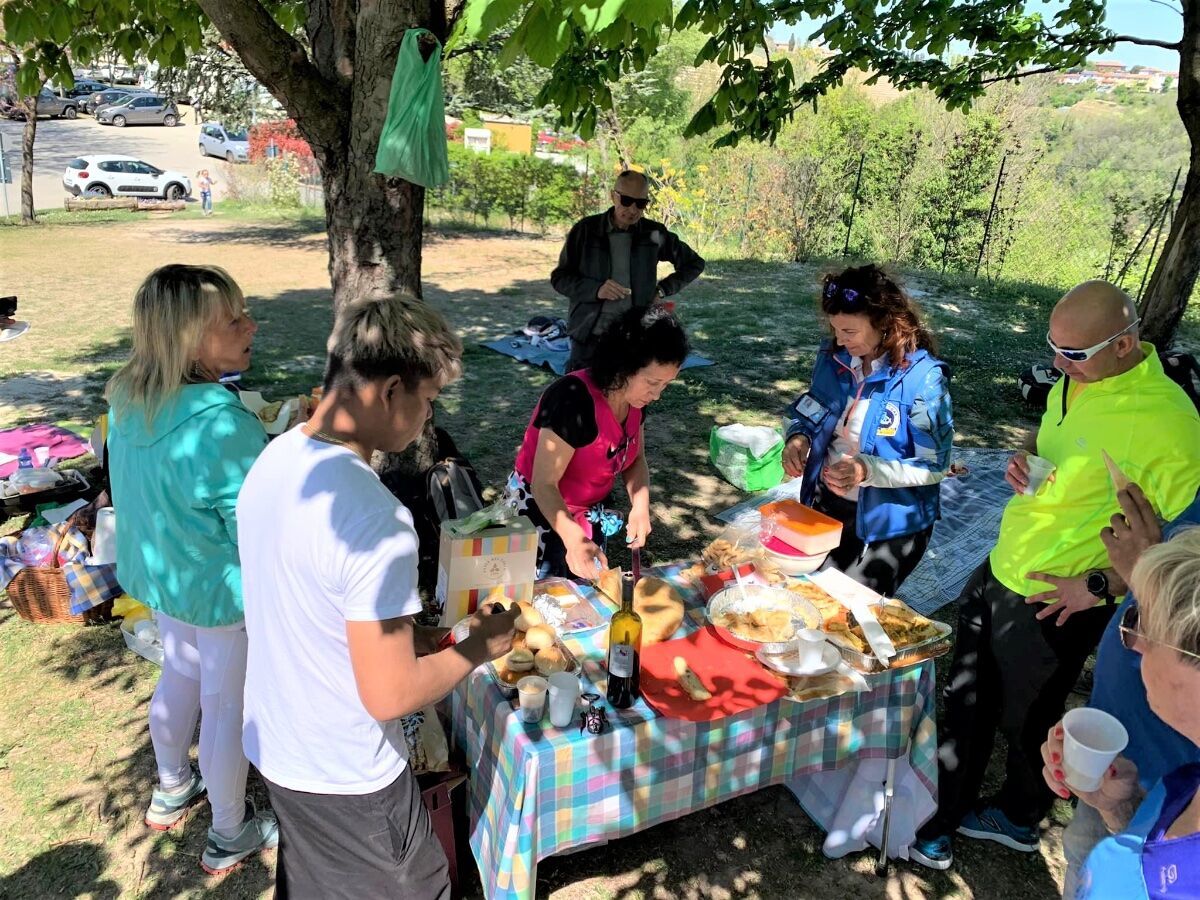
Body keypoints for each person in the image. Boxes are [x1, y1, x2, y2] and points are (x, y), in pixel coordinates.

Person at [911, 280, 1200, 871]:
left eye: (1072, 353)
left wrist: (1097, 587)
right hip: (1003, 564)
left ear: (1126, 344)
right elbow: (1063, 453)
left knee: (1032, 726)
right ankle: (943, 815)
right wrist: (1027, 467)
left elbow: (1180, 557)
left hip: (1058, 599)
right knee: (966, 698)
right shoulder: (1075, 379)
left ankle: (1019, 818)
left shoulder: (1171, 425)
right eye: (1052, 346)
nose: (1056, 363)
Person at [238, 293, 519, 898]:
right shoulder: (378, 520)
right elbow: (389, 693)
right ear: (391, 390)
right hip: (348, 775)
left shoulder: (277, 457)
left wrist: (434, 637)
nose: (429, 417)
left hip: (281, 745)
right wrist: (480, 649)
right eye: (429, 399)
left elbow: (321, 612)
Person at [105, 264, 278, 874]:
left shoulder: (127, 396)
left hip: (165, 579)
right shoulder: (222, 424)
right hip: (221, 590)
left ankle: (173, 785)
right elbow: (258, 532)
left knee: (178, 675)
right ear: (189, 339)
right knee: (226, 702)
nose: (250, 326)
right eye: (233, 319)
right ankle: (230, 830)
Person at [1044, 482, 1200, 897]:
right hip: (1132, 770)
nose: (1131, 641)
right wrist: (1117, 808)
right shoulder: (1181, 788)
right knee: (1081, 848)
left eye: (1145, 619)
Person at [782, 264, 954, 595]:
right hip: (828, 507)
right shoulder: (834, 358)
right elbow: (813, 408)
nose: (839, 341)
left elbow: (934, 466)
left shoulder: (923, 379)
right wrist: (798, 436)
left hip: (888, 525)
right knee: (805, 597)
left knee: (848, 613)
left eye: (850, 331)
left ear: (883, 323)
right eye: (835, 329)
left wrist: (866, 469)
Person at [505, 307, 689, 579]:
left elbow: (635, 459)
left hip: (586, 515)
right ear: (624, 367)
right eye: (652, 382)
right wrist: (573, 539)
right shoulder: (572, 400)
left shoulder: (635, 401)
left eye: (665, 385)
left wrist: (640, 505)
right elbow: (543, 484)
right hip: (542, 512)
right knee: (541, 602)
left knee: (583, 599)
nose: (657, 395)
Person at [551, 169, 705, 372]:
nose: (632, 209)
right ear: (613, 196)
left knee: (632, 397)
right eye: (626, 200)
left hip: (635, 334)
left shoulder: (653, 234)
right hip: (589, 334)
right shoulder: (586, 230)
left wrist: (662, 290)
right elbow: (560, 278)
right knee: (582, 397)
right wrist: (596, 289)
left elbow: (694, 263)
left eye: (640, 203)